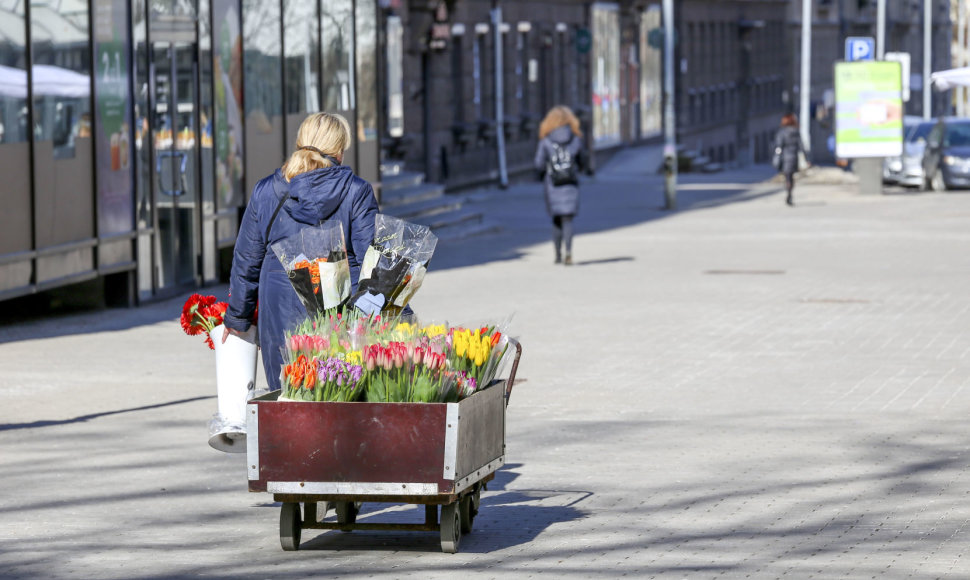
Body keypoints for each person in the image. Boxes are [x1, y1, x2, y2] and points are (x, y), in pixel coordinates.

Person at [222, 112, 379, 391]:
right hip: (341, 320)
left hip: (278, 316)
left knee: (285, 402)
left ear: (300, 142)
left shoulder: (266, 191)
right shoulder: (357, 192)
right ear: (339, 150)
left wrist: (237, 318)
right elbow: (374, 268)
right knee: (336, 403)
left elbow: (247, 261)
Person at [534, 105, 586, 265]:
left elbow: (538, 163)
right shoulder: (575, 139)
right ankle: (568, 252)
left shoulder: (546, 140)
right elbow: (582, 160)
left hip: (553, 183)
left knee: (556, 218)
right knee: (568, 218)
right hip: (570, 182)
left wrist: (543, 175)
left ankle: (557, 255)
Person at [774, 113, 806, 206]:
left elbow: (778, 146)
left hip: (785, 158)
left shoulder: (782, 132)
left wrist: (777, 155)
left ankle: (788, 192)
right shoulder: (796, 132)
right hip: (794, 157)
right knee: (791, 177)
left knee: (787, 176)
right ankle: (790, 193)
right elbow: (801, 146)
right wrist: (806, 158)